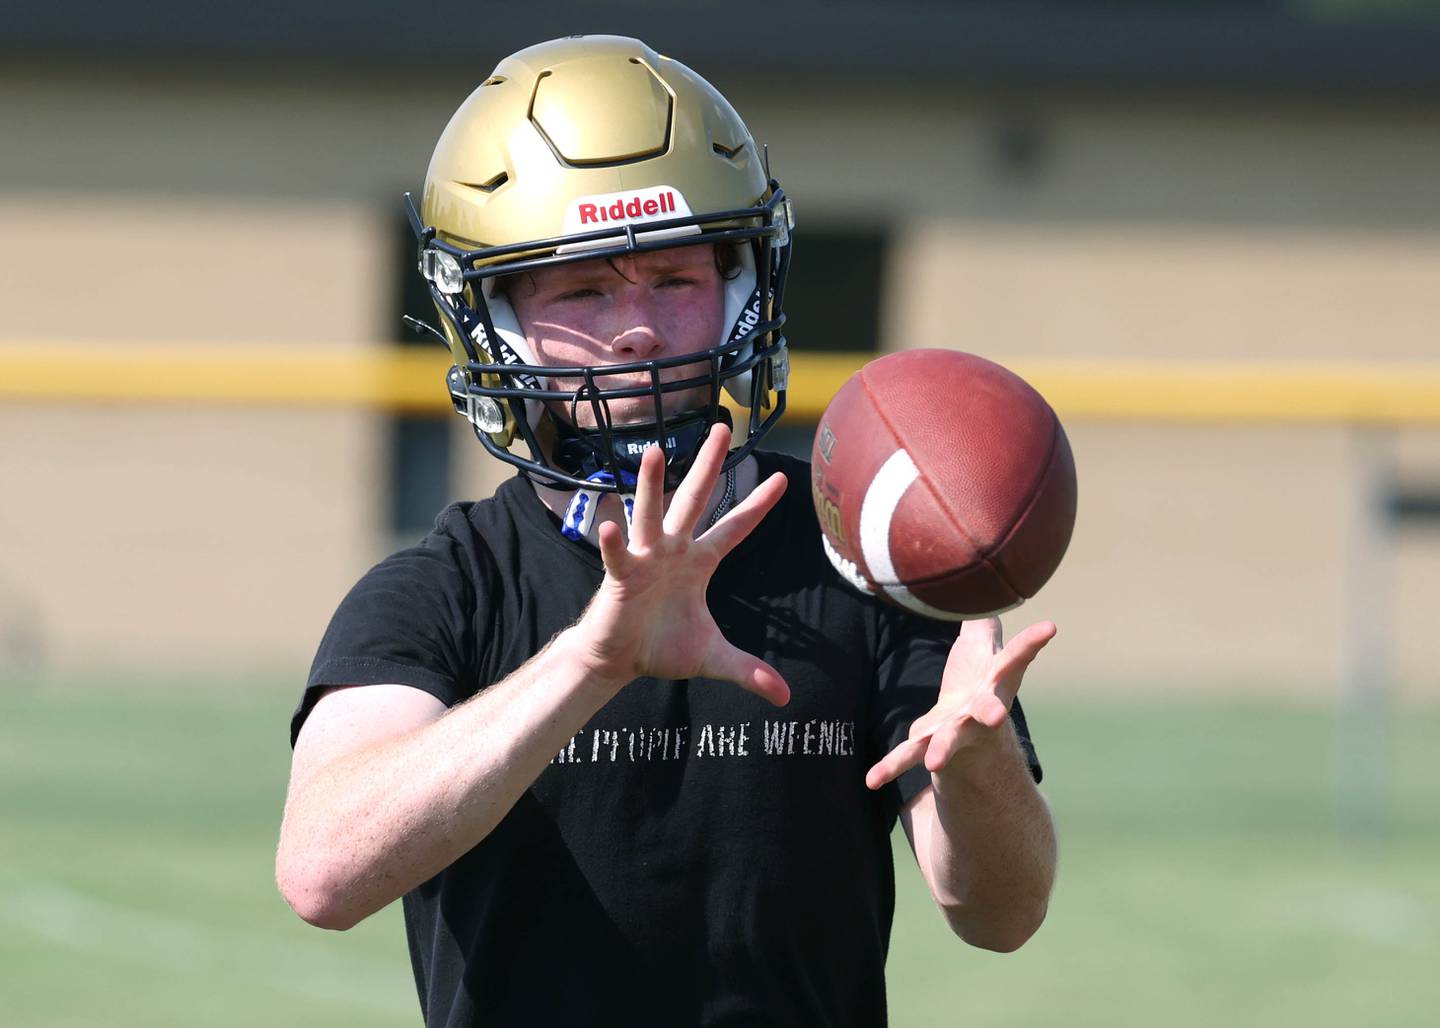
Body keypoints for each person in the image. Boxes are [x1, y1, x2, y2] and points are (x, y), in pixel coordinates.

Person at [277, 34, 1058, 1027]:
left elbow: (1002, 912)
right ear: (494, 321)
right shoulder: (446, 588)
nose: (637, 325)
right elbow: (321, 871)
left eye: (677, 280)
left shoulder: (860, 552)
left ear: (742, 291)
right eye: (584, 289)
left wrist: (980, 767)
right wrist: (594, 660)